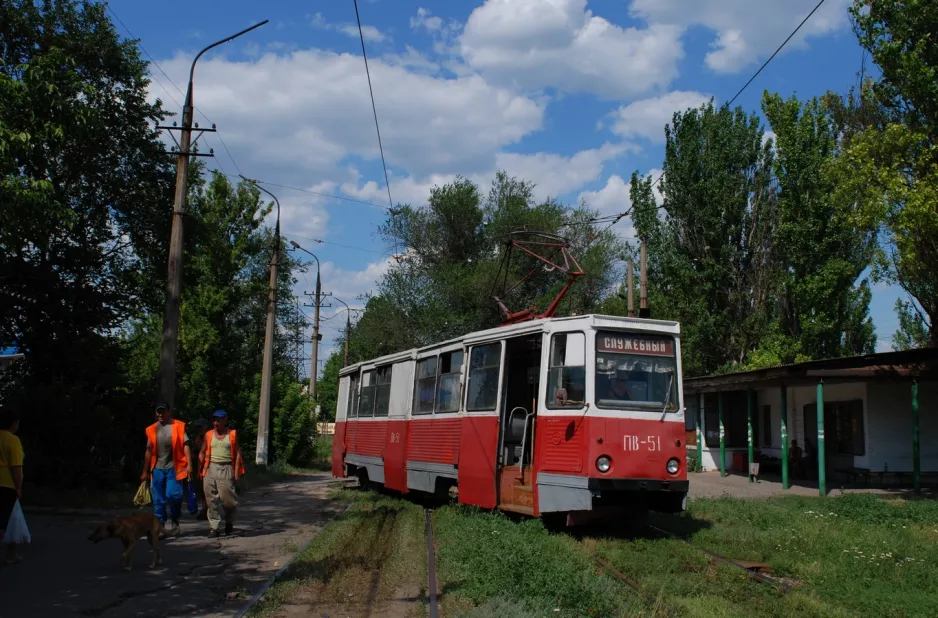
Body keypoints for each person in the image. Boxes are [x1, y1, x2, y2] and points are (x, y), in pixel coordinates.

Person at [141, 402, 191, 538]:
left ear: (169, 412)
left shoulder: (178, 426)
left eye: (163, 411)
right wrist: (145, 471)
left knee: (173, 495)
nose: (160, 414)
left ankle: (175, 519)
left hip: (174, 468)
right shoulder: (152, 429)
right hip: (157, 468)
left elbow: (186, 445)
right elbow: (148, 451)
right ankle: (160, 526)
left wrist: (189, 464)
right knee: (158, 500)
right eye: (158, 412)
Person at [199, 410, 244, 537]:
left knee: (228, 500)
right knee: (210, 499)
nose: (216, 422)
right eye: (214, 420)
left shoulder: (232, 435)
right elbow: (202, 451)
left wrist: (236, 473)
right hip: (210, 468)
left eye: (219, 420)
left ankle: (229, 521)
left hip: (226, 468)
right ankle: (214, 527)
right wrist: (201, 463)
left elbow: (238, 453)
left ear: (225, 420)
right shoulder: (208, 435)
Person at [0, 407, 24, 564]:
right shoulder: (12, 440)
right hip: (6, 484)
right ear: (13, 423)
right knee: (10, 521)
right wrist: (19, 486)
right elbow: (16, 467)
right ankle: (11, 554)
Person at [190, 418, 210, 520]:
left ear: (206, 426)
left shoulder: (211, 436)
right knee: (201, 489)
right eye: (198, 427)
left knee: (209, 489)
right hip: (199, 466)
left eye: (200, 426)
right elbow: (194, 450)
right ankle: (205, 509)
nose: (199, 428)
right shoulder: (199, 438)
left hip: (210, 466)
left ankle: (209, 509)